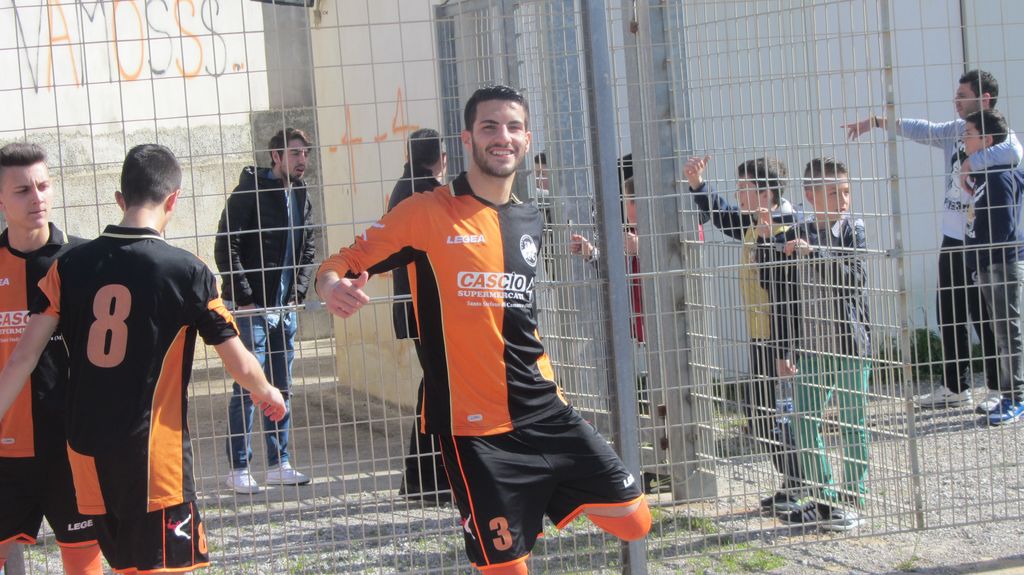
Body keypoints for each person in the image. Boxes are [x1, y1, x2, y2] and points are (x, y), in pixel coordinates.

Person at [316, 85, 651, 575]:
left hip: (543, 409)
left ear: (527, 139)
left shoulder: (530, 220)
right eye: (489, 126)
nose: (502, 137)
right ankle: (517, 508)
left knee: (634, 519)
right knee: (507, 570)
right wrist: (330, 285)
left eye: (513, 127)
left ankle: (535, 497)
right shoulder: (426, 211)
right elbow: (343, 261)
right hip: (472, 428)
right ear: (467, 138)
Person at [0, 144, 287, 573]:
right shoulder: (188, 271)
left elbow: (22, 357)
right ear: (174, 199)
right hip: (153, 461)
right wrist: (266, 391)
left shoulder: (68, 265)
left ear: (120, 199)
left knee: (118, 564)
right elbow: (238, 359)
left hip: (87, 456)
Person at [845, 70, 1022, 412]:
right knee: (950, 312)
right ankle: (956, 387)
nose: (956, 100)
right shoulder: (956, 130)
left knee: (986, 315)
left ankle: (998, 387)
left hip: (982, 241)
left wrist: (972, 162)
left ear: (984, 99)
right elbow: (922, 129)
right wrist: (877, 122)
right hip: (953, 236)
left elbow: (1015, 154)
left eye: (963, 95)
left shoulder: (1001, 136)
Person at [0, 143, 102, 574]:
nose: (37, 197)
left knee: (83, 562)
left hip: (71, 449)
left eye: (43, 186)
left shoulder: (85, 261)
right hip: (5, 450)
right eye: (23, 190)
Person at [683, 156, 804, 515]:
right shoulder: (757, 221)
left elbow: (787, 299)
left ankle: (802, 484)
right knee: (761, 413)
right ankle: (793, 483)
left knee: (779, 414)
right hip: (761, 336)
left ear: (765, 194)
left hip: (780, 340)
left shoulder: (787, 232)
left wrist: (785, 351)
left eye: (743, 188)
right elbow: (723, 216)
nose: (737, 194)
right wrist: (698, 184)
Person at [216, 128, 316, 493]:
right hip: (251, 310)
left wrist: (297, 293)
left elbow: (308, 247)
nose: (302, 160)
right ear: (275, 156)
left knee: (281, 386)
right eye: (295, 153)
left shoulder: (301, 193)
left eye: (305, 153)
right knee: (248, 388)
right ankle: (239, 468)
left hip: (283, 309)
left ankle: (279, 463)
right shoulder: (248, 193)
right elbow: (226, 247)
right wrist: (245, 299)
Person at [778, 158, 871, 532]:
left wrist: (815, 253)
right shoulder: (796, 232)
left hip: (849, 348)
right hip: (811, 349)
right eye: (833, 193)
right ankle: (823, 498)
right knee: (804, 424)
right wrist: (785, 350)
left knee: (852, 425)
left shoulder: (853, 230)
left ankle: (853, 500)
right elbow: (783, 299)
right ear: (810, 195)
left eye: (846, 191)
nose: (843, 200)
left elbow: (854, 278)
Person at [386, 128, 451, 503]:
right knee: (439, 389)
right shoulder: (428, 193)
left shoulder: (404, 188)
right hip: (429, 307)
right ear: (440, 158)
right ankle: (423, 479)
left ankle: (423, 478)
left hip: (416, 306)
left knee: (436, 386)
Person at [961, 109, 1024, 425]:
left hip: (1002, 262)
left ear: (986, 140)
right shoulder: (986, 174)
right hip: (988, 262)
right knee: (999, 330)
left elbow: (1003, 228)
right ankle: (1007, 392)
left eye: (968, 134)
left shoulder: (999, 176)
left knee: (1007, 330)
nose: (964, 140)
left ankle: (1017, 397)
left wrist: (983, 257)